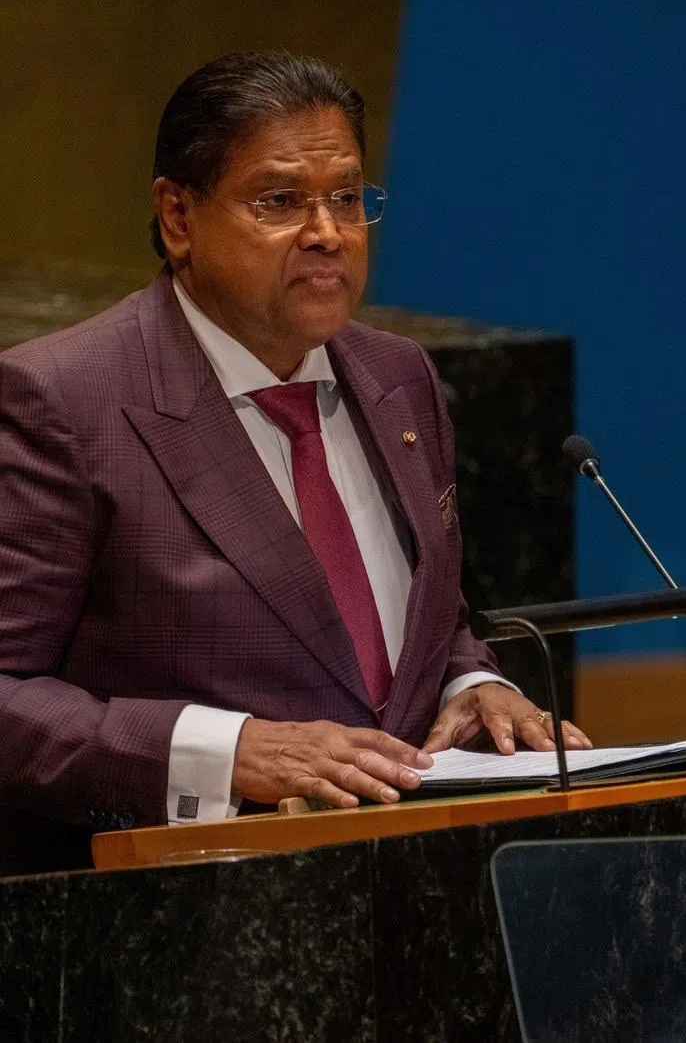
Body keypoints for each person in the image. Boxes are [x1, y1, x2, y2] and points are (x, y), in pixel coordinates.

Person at [0, 51, 589, 874]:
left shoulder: (400, 378)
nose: (326, 232)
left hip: (413, 887)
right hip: (182, 914)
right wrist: (225, 750)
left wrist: (470, 688)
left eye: (346, 199)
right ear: (178, 216)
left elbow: (428, 621)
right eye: (280, 201)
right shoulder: (63, 400)